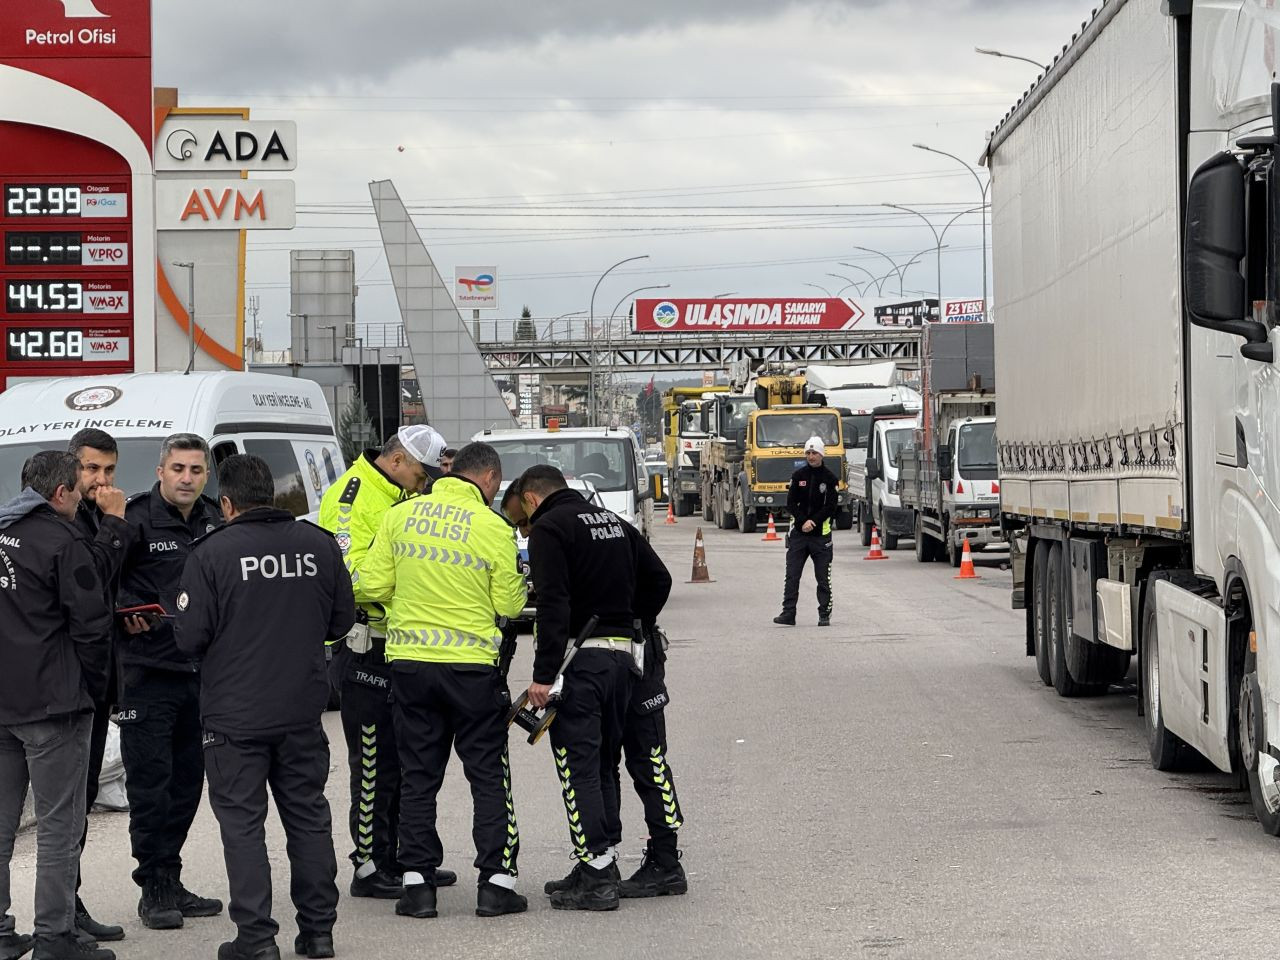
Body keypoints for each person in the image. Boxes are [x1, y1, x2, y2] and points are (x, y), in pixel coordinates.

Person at [175, 455, 355, 960]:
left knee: (242, 827)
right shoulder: (317, 544)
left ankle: (256, 939)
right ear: (273, 496)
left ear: (226, 503)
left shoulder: (212, 553)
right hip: (301, 710)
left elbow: (190, 637)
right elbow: (341, 620)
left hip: (234, 717)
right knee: (308, 818)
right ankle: (318, 933)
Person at [355, 442, 528, 920]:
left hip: (410, 667)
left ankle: (418, 887)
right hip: (473, 671)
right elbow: (512, 606)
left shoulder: (400, 515)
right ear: (490, 480)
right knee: (488, 778)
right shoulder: (494, 527)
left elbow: (369, 586)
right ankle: (495, 885)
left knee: (417, 778)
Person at [318, 424, 456, 898]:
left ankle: (406, 857)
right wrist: (407, 580)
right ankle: (369, 865)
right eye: (420, 474)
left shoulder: (402, 496)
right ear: (398, 461)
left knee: (408, 757)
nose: (424, 485)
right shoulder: (352, 496)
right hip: (365, 646)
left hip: (402, 644)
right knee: (374, 761)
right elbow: (346, 576)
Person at [0, 452, 114, 960]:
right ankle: (54, 938)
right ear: (61, 493)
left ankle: (2, 935)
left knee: (2, 828)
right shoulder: (63, 541)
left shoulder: (3, 530)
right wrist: (95, 689)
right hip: (53, 703)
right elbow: (92, 626)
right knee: (58, 827)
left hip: (4, 701)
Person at [516, 464, 643, 912]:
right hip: (622, 659)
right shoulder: (612, 520)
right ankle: (601, 863)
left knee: (578, 768)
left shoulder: (549, 529)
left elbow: (553, 604)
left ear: (532, 498)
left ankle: (597, 879)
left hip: (581, 661)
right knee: (606, 762)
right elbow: (658, 580)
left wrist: (543, 675)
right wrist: (630, 622)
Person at [115, 433, 224, 929]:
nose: (186, 478)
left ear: (206, 475)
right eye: (178, 469)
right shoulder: (135, 519)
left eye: (196, 470)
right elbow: (101, 582)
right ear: (161, 471)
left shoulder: (214, 521)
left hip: (199, 676)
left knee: (186, 784)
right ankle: (152, 886)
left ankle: (172, 879)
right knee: (150, 785)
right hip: (147, 674)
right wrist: (122, 615)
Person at [66, 430, 131, 944]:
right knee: (63, 808)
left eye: (109, 471)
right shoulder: (69, 520)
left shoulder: (94, 516)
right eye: (92, 470)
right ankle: (60, 912)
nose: (101, 481)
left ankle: (68, 901)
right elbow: (90, 582)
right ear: (72, 469)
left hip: (95, 678)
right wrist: (114, 522)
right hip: (65, 685)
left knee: (80, 800)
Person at [774, 436, 839, 628]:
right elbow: (791, 503)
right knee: (792, 575)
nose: (811, 457)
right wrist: (803, 521)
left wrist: (813, 521)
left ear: (821, 454)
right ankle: (788, 613)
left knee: (823, 578)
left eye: (815, 453)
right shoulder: (798, 476)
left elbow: (830, 507)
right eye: (808, 453)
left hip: (821, 538)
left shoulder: (830, 479)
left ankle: (824, 614)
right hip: (800, 536)